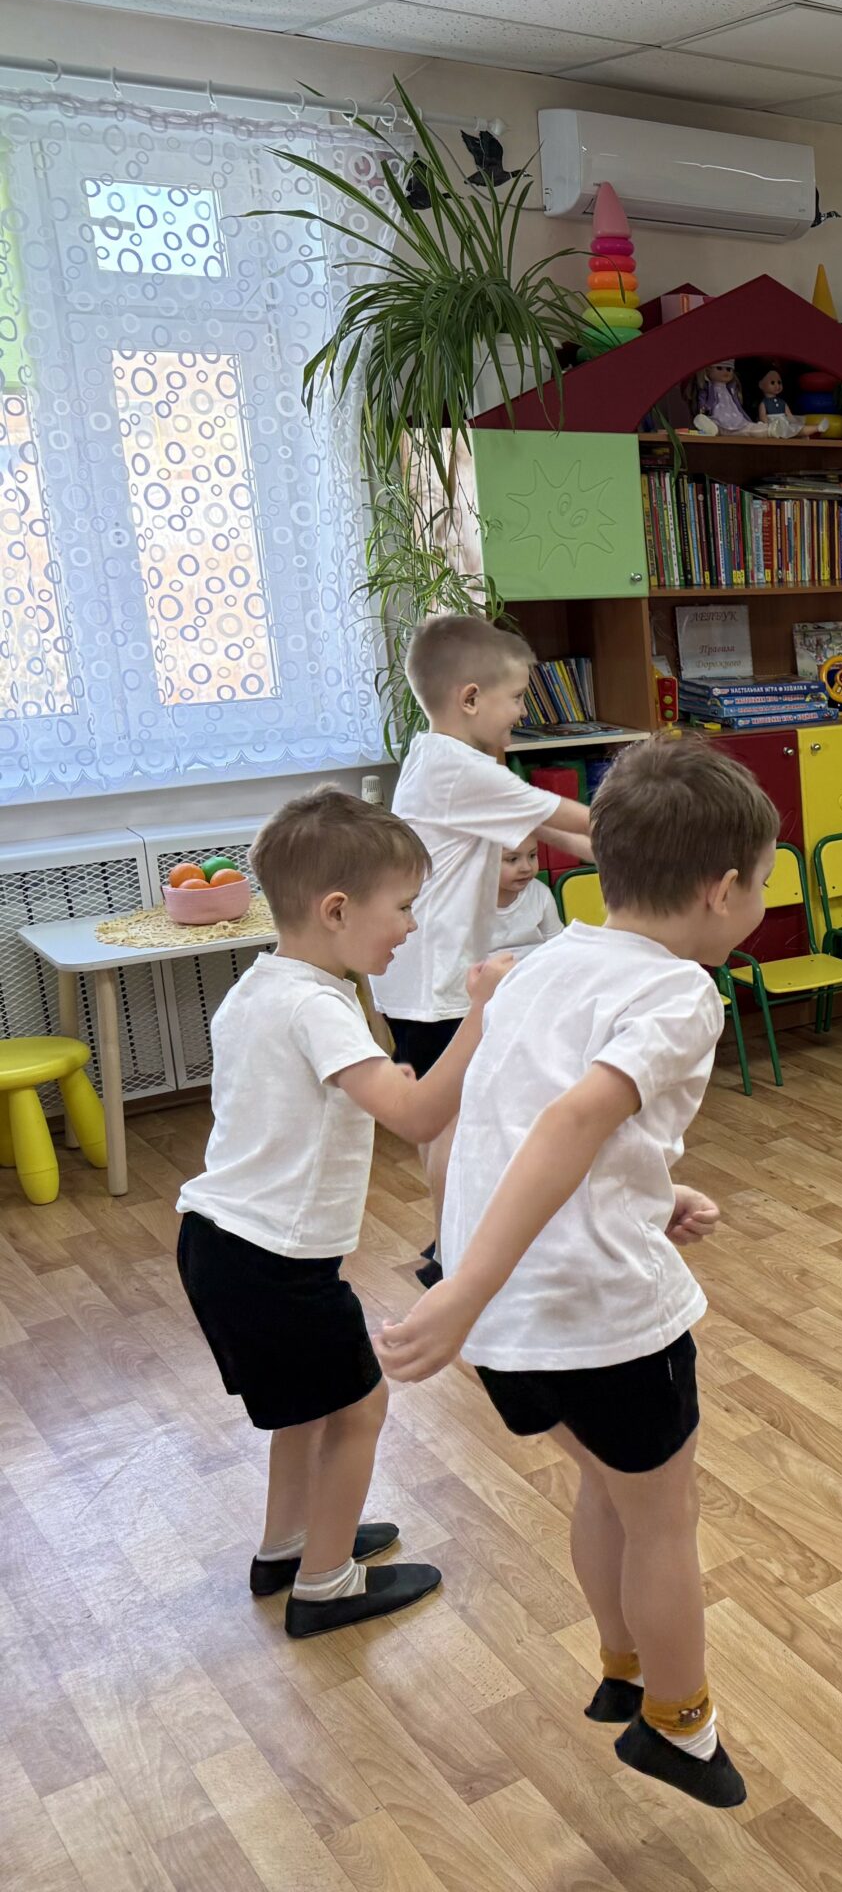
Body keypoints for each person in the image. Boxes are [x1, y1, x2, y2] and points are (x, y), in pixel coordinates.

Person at [375, 736, 777, 1808]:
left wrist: (648, 1192)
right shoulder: (682, 994)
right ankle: (679, 1725)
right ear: (722, 890)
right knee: (663, 1520)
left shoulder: (540, 962)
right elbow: (567, 1121)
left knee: (606, 1486)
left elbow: (510, 1122)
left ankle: (622, 1664)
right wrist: (457, 1289)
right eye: (761, 883)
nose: (760, 901)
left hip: (514, 1330)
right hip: (595, 1319)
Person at [173, 791, 508, 1637]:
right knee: (360, 1407)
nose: (411, 926)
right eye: (402, 907)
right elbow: (419, 1118)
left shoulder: (263, 988)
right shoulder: (317, 1007)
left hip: (221, 1244)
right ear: (336, 911)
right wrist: (482, 1015)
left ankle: (287, 1547)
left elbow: (344, 1088)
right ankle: (325, 1585)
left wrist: (395, 1075)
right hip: (272, 1263)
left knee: (308, 1407)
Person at [379, 615, 593, 1286]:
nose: (523, 713)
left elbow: (556, 833)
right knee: (456, 1126)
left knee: (445, 1122)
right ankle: (452, 1260)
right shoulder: (458, 770)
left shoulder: (441, 761)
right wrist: (666, 841)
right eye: (517, 698)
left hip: (421, 981)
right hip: (435, 985)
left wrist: (616, 857)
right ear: (470, 698)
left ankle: (446, 1244)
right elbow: (573, 819)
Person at [488, 831, 565, 957]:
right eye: (512, 859)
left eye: (532, 855)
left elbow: (557, 944)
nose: (527, 867)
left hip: (535, 965)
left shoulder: (541, 894)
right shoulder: (466, 901)